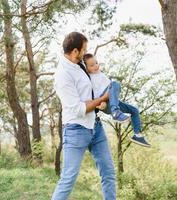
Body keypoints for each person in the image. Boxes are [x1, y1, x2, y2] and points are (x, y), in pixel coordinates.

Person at [51, 32, 116, 200]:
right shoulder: (63, 75)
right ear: (74, 51)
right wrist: (102, 98)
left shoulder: (79, 64)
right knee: (68, 179)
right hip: (76, 131)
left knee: (108, 173)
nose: (85, 52)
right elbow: (78, 109)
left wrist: (104, 100)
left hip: (96, 126)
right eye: (84, 49)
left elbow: (91, 87)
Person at [83, 53, 151, 147]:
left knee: (134, 110)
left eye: (96, 63)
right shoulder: (89, 79)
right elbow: (93, 96)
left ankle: (137, 135)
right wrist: (100, 103)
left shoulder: (101, 75)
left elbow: (111, 90)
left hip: (112, 102)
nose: (96, 66)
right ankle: (115, 112)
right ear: (86, 68)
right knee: (115, 83)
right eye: (92, 65)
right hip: (104, 104)